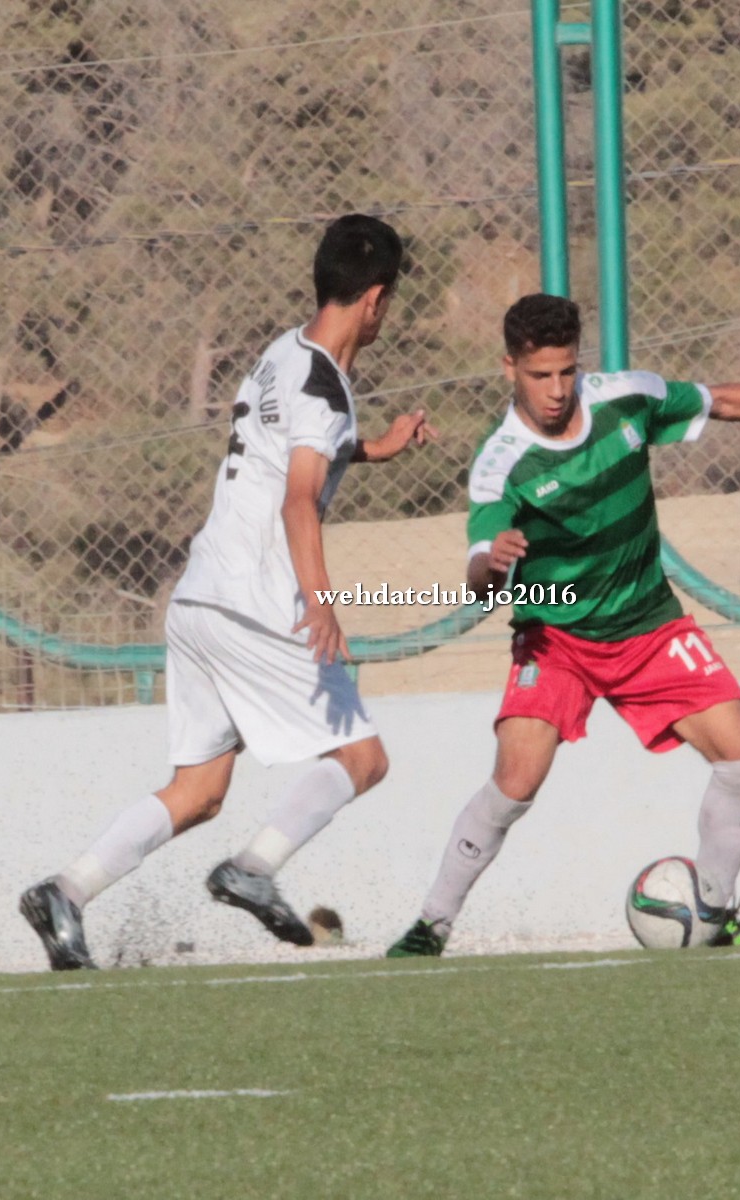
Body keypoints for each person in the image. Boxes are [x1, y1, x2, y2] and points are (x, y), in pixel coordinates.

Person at [387, 292, 740, 957]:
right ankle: (431, 926)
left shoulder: (625, 398)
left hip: (650, 628)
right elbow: (479, 570)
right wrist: (493, 563)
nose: (557, 390)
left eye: (567, 371)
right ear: (509, 368)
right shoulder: (500, 462)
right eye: (540, 375)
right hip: (557, 642)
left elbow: (721, 401)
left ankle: (712, 914)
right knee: (515, 784)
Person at [21, 214, 434, 970]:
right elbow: (299, 499)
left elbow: (295, 451)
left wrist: (378, 447)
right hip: (257, 604)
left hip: (200, 597)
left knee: (201, 790)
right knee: (364, 757)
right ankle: (252, 870)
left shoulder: (285, 351)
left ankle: (65, 892)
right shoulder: (327, 393)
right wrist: (322, 603)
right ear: (376, 298)